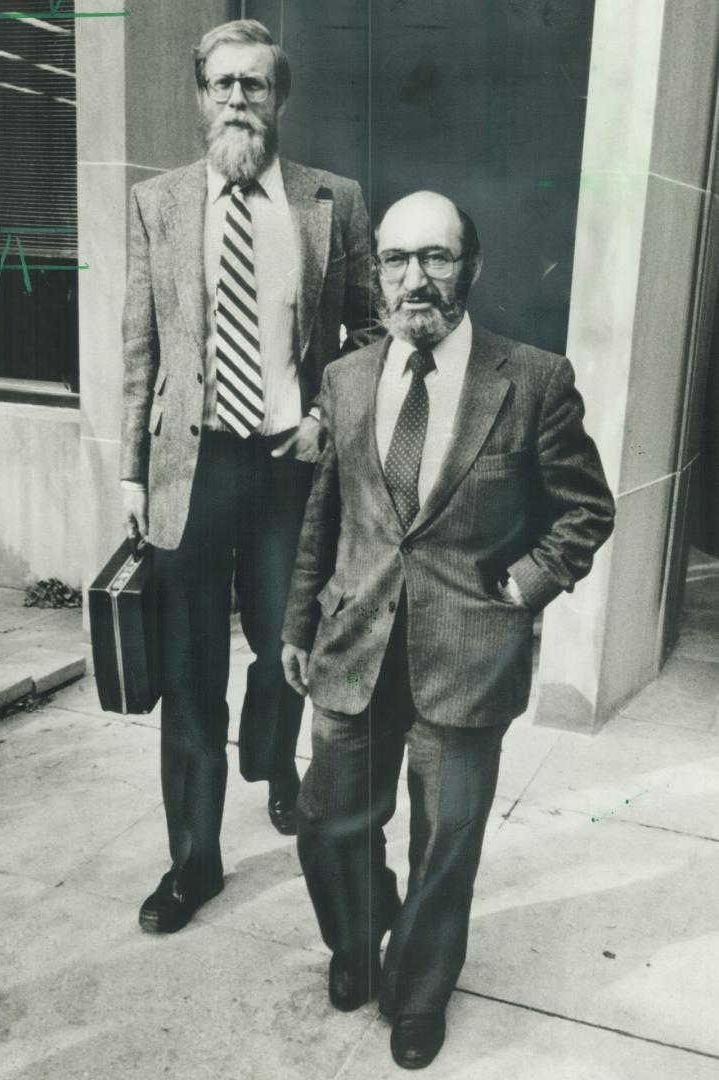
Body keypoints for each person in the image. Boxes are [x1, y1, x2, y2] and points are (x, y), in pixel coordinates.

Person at [281, 191, 615, 1069]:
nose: (414, 279)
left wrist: (520, 586)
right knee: (327, 826)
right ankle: (358, 941)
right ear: (377, 272)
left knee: (446, 839)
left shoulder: (533, 379)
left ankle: (419, 989)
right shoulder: (346, 380)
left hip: (466, 652)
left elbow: (585, 511)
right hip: (354, 644)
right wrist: (296, 620)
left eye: (435, 257)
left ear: (470, 266)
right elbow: (327, 514)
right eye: (396, 260)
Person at [120, 19, 378, 934]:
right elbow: (140, 345)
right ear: (200, 96)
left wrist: (322, 420)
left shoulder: (328, 201)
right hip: (190, 470)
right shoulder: (158, 202)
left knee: (285, 651)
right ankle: (193, 861)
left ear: (280, 99)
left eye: (255, 86)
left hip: (285, 473)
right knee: (189, 679)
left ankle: (273, 763)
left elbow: (371, 331)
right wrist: (130, 474)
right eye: (223, 84)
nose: (238, 100)